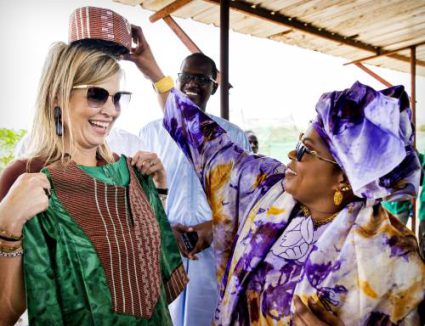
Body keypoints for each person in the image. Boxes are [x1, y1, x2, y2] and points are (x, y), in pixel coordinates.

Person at [127, 29, 425, 325]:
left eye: (306, 150)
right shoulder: (269, 188)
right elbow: (202, 137)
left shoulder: (391, 255)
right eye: (297, 144)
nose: (292, 156)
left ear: (344, 179)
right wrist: (153, 70)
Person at [0, 7, 186, 325]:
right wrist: (6, 225)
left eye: (118, 97)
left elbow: (148, 274)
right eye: (97, 96)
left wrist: (159, 191)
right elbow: (7, 312)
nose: (111, 110)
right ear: (59, 97)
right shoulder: (25, 175)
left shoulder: (126, 168)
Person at [139, 52, 251, 326]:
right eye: (186, 76)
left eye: (202, 78)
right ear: (177, 81)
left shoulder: (233, 136)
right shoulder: (151, 133)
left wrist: (212, 228)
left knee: (209, 317)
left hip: (214, 248)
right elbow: (140, 195)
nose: (192, 84)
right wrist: (166, 230)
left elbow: (245, 197)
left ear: (214, 86)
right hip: (165, 246)